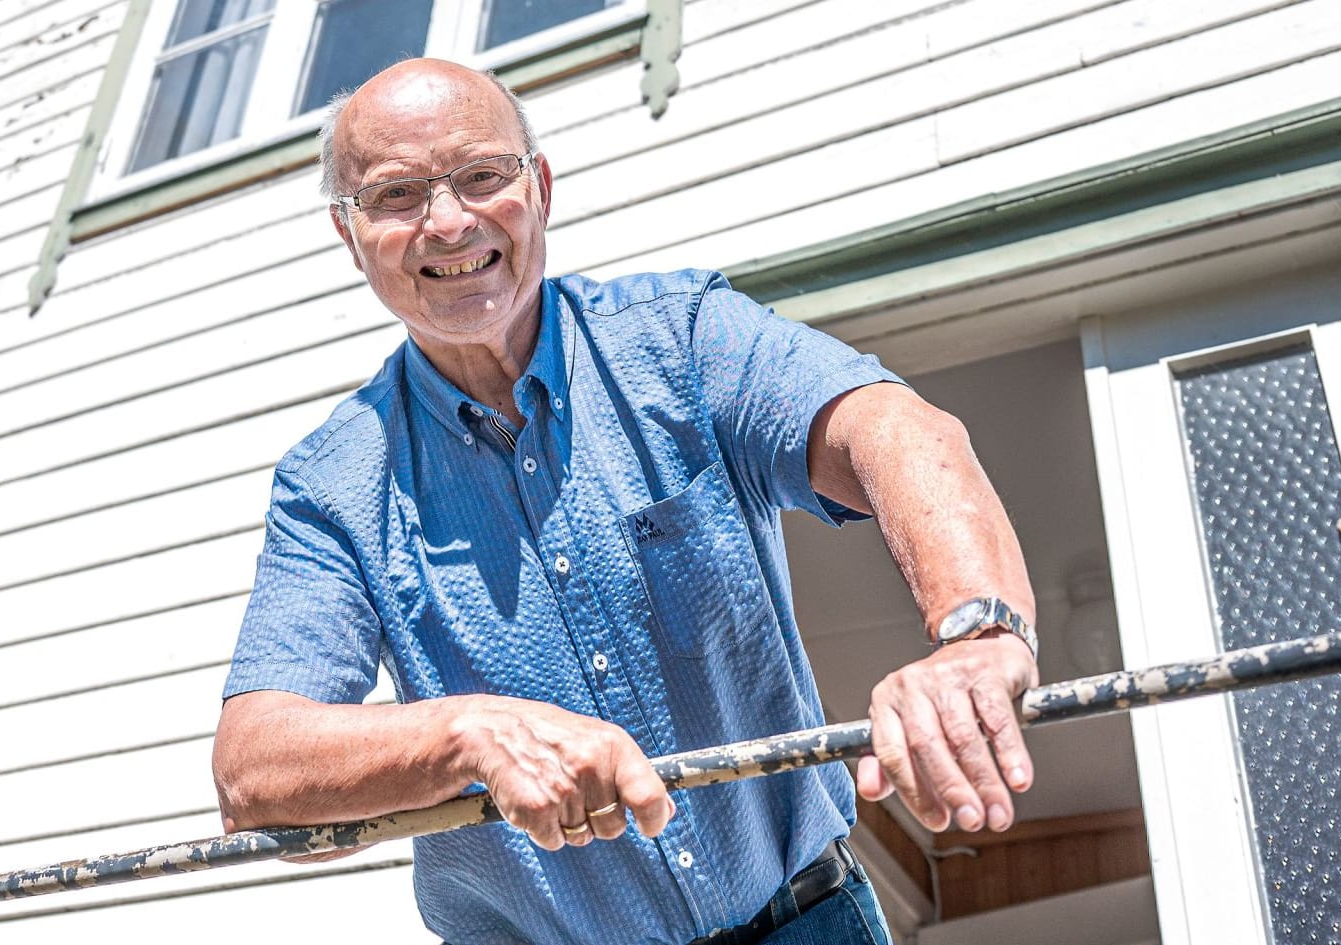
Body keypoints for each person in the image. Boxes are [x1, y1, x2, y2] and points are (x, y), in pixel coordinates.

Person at [212, 57, 1038, 945]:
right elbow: (255, 768)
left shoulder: (683, 337)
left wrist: (976, 633)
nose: (447, 222)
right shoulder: (331, 484)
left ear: (539, 189)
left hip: (806, 920)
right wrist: (467, 734)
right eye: (396, 194)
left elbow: (894, 431)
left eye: (481, 176)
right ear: (350, 232)